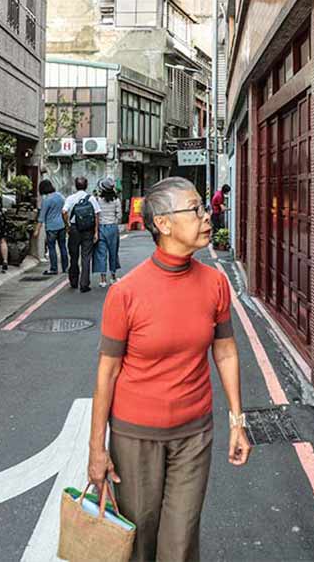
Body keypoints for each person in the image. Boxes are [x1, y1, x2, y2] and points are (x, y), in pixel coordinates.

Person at [88, 176, 251, 562]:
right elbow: (107, 373)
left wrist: (237, 421)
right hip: (135, 437)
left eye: (203, 207)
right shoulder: (125, 293)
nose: (206, 216)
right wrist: (97, 448)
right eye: (194, 210)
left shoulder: (215, 283)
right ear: (163, 224)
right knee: (140, 541)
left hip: (194, 434)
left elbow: (225, 352)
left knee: (180, 543)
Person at [62, 176, 101, 292]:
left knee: (74, 256)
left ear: (75, 186)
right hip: (88, 230)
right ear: (86, 186)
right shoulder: (91, 199)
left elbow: (64, 212)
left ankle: (73, 281)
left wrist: (67, 225)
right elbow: (97, 215)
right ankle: (84, 284)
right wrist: (96, 232)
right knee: (86, 257)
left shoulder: (70, 198)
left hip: (74, 229)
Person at [34, 179, 68, 276]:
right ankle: (65, 268)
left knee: (52, 248)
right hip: (61, 225)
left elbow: (41, 217)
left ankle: (54, 268)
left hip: (51, 228)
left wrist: (37, 230)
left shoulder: (46, 200)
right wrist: (67, 225)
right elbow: (65, 211)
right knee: (62, 247)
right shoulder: (60, 196)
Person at [93, 177, 122, 288]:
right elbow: (119, 216)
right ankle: (113, 277)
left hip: (101, 227)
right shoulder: (116, 200)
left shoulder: (98, 200)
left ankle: (103, 279)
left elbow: (96, 214)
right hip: (112, 228)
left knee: (101, 254)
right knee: (113, 252)